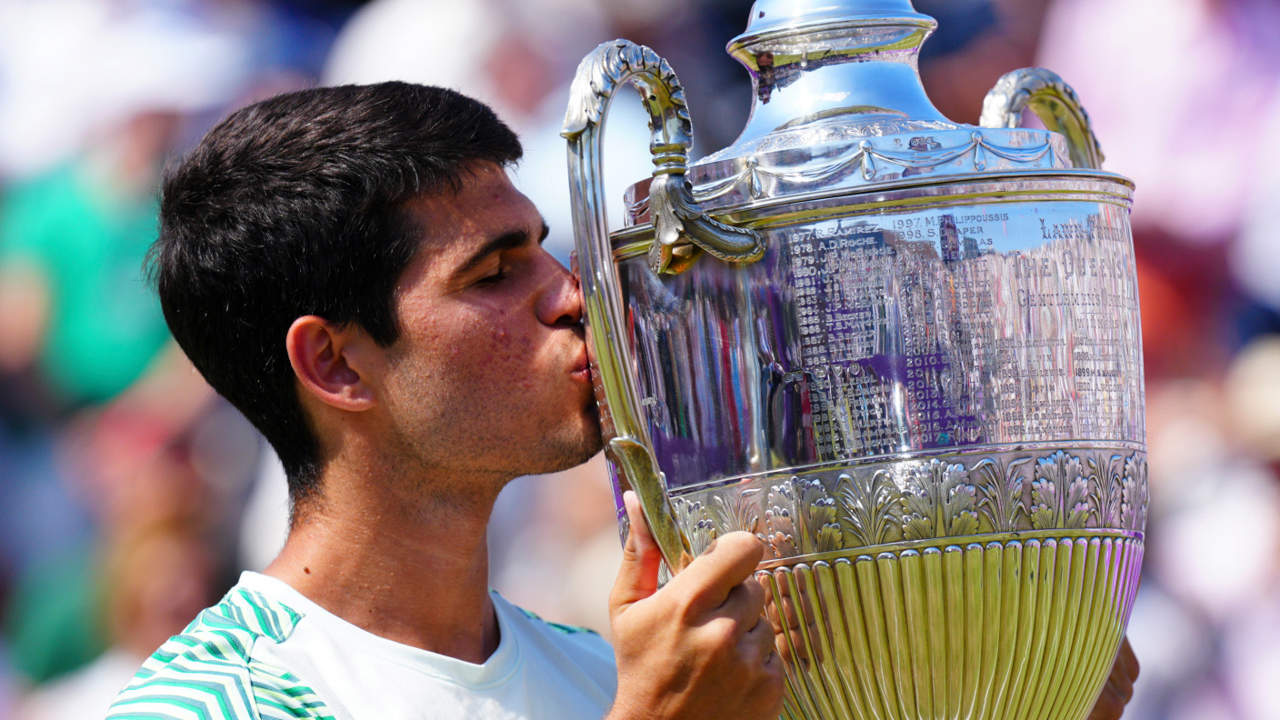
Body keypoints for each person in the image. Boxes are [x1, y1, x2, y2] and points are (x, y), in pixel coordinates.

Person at [105, 82, 1136, 719]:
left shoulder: (621, 675)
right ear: (334, 366)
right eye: (493, 272)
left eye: (546, 248)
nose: (570, 295)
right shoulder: (208, 709)